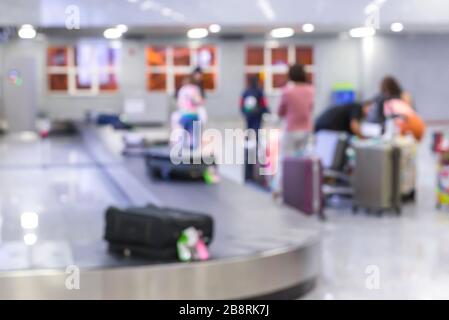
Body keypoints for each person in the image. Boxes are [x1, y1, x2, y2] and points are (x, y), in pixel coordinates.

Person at [271, 64, 314, 198]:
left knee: (285, 160)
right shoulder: (311, 90)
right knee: (302, 160)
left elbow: (280, 111)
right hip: (306, 130)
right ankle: (301, 188)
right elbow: (310, 108)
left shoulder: (287, 91)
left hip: (291, 130)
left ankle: (278, 189)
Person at [176, 74, 204, 149]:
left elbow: (179, 103)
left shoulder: (182, 90)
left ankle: (183, 150)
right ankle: (192, 151)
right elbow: (198, 100)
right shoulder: (194, 89)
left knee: (183, 133)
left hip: (183, 115)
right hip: (192, 114)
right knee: (194, 134)